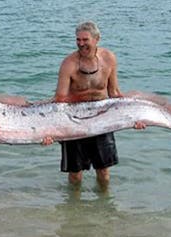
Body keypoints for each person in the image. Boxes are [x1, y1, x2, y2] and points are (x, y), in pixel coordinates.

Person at [42, 21, 145, 188]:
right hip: (74, 121)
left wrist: (134, 118)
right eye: (78, 40)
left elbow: (114, 93)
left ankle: (104, 209)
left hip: (102, 119)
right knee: (75, 174)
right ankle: (74, 210)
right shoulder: (69, 64)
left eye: (85, 40)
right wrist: (50, 131)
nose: (81, 44)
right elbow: (60, 99)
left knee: (103, 172)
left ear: (97, 39)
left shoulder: (109, 59)